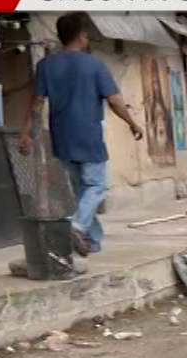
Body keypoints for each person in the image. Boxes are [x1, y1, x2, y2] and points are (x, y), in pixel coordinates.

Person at [19, 13, 143, 257]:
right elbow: (114, 100)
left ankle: (91, 239)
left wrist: (26, 133)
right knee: (96, 186)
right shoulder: (94, 65)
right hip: (88, 135)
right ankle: (75, 227)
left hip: (61, 136)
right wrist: (132, 123)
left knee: (81, 191)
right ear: (83, 37)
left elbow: (36, 103)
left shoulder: (46, 65)